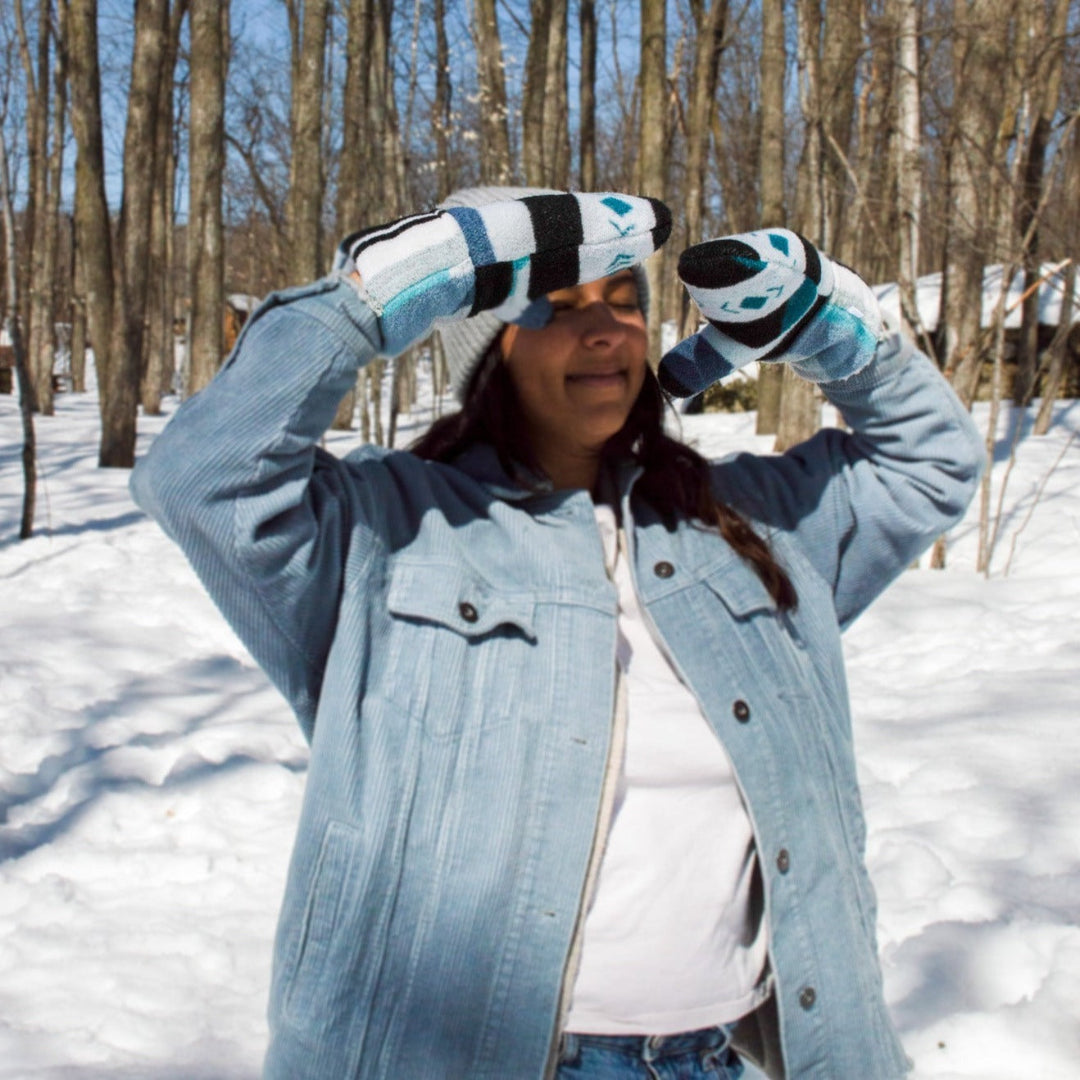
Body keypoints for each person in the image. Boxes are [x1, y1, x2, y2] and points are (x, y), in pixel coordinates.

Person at [131, 187, 984, 1080]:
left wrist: (837, 337)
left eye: (623, 302)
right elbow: (203, 481)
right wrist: (378, 296)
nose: (607, 330)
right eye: (562, 306)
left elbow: (934, 463)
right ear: (487, 346)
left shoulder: (742, 525)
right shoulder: (388, 529)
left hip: (706, 1058)